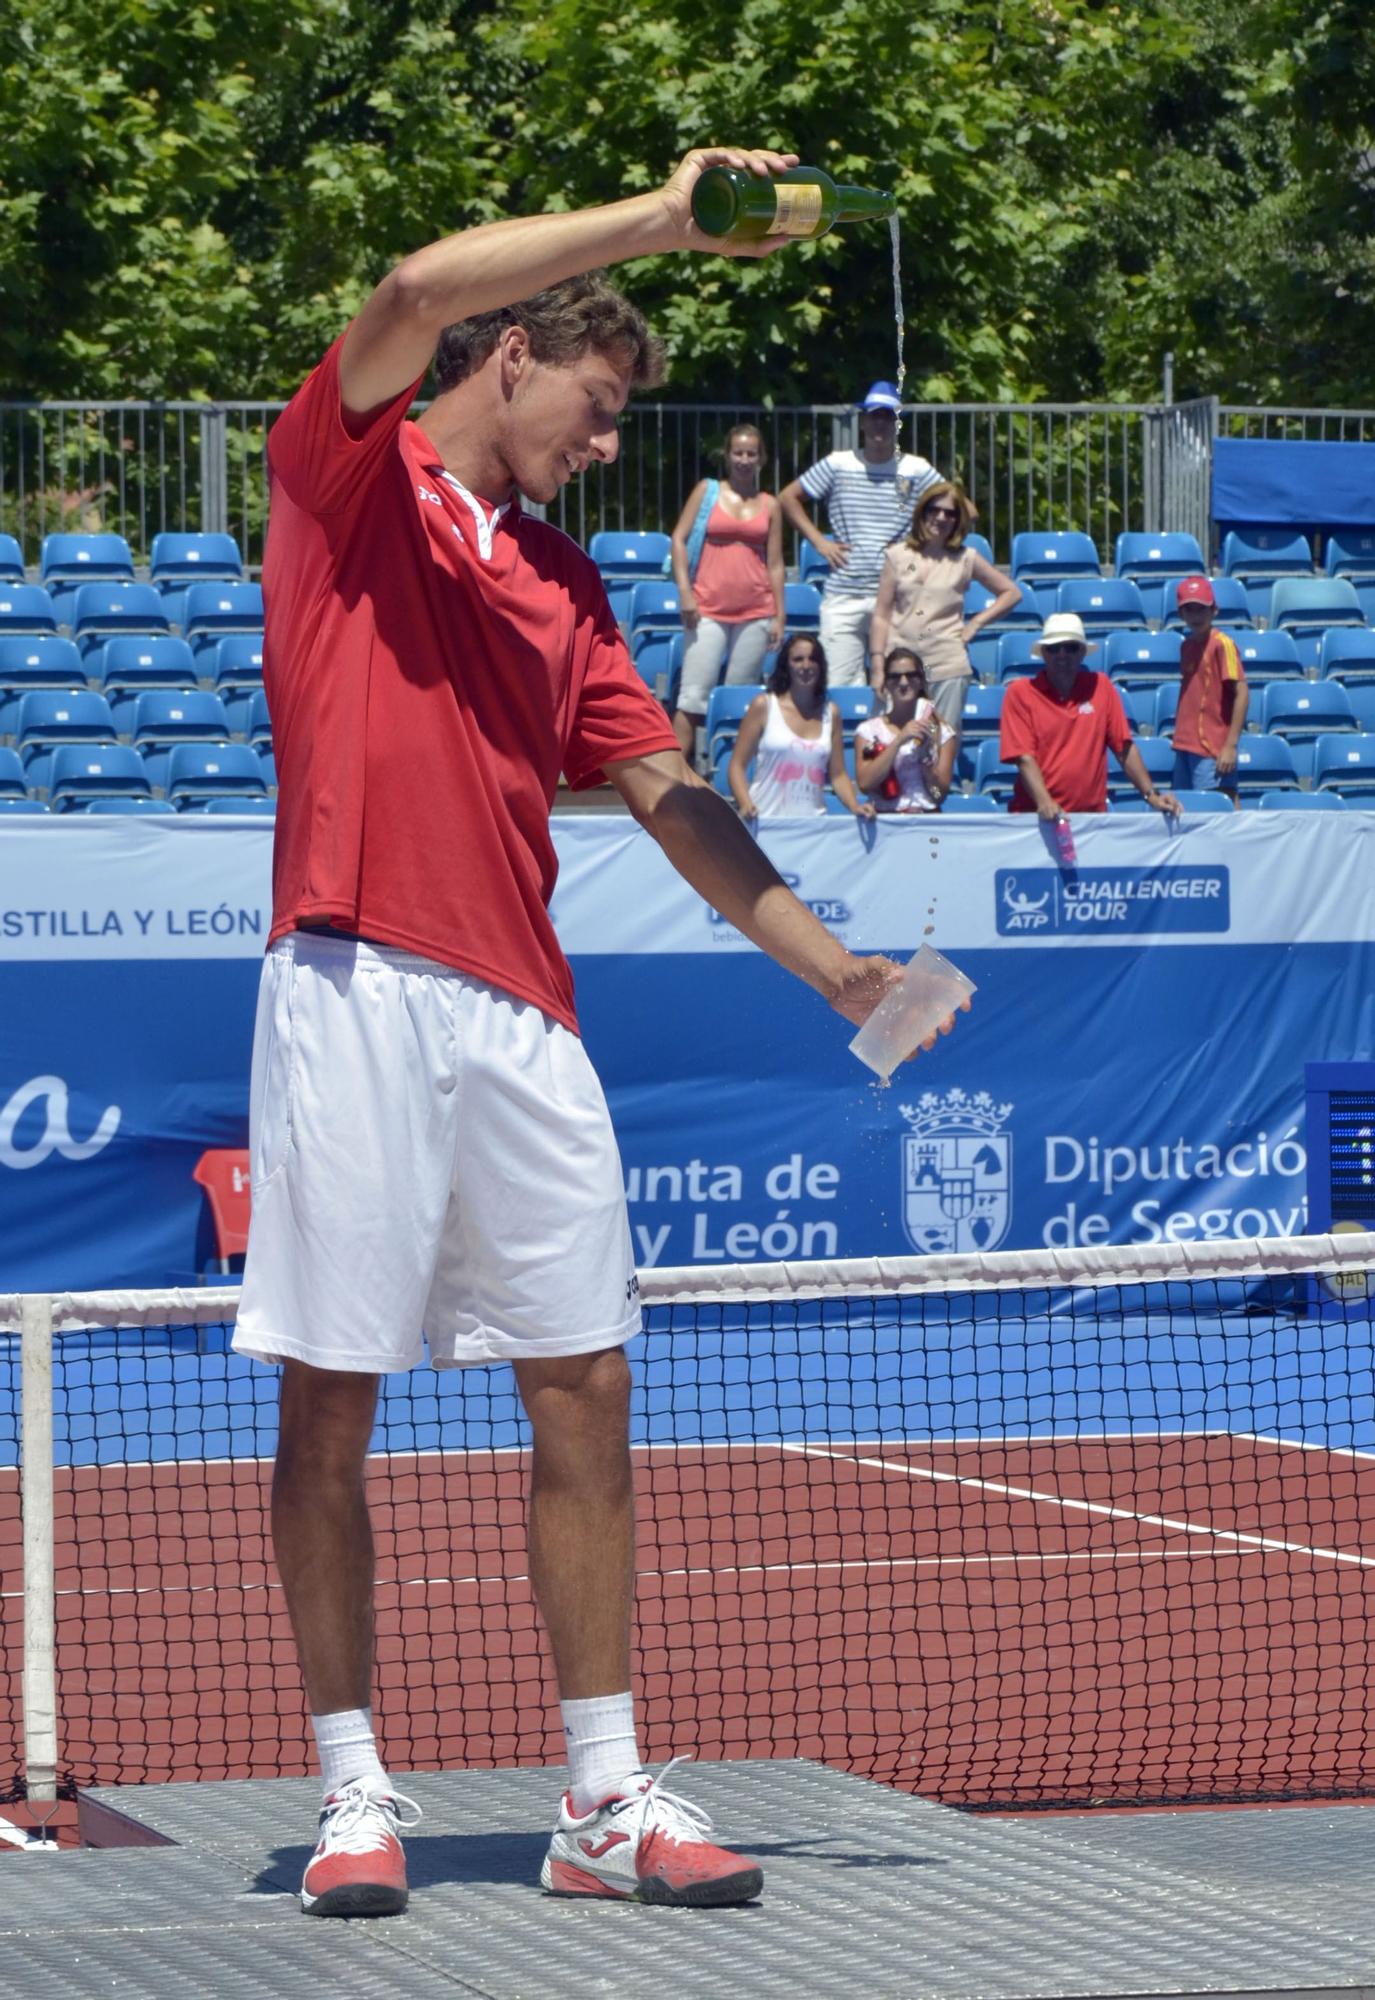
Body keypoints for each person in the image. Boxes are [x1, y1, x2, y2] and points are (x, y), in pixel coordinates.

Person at [230, 145, 963, 1924]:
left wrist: (832, 966)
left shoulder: (568, 584)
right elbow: (407, 289)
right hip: (348, 982)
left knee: (592, 1391)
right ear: (512, 357)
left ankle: (603, 1799)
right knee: (334, 1404)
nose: (611, 437)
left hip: (522, 1014)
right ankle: (350, 1792)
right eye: (598, 396)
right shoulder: (342, 478)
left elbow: (671, 796)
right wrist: (662, 215)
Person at [778, 381, 941, 686]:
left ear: (897, 422)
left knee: (899, 685)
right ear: (864, 420)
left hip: (899, 595)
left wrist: (919, 542)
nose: (880, 422)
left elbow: (963, 510)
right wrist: (819, 542)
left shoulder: (916, 469)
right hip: (845, 593)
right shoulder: (838, 463)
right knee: (839, 687)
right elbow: (787, 498)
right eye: (874, 415)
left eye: (887, 416)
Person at [867, 483, 1021, 742]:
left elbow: (1012, 593)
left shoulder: (966, 558)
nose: (941, 518)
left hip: (947, 665)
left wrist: (976, 624)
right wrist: (877, 666)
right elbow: (881, 615)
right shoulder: (896, 555)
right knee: (888, 742)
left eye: (950, 513)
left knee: (940, 745)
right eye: (934, 510)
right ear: (922, 512)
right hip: (900, 665)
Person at [670, 423, 785, 761]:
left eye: (752, 453)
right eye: (739, 452)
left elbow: (776, 563)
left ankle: (730, 775)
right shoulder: (707, 492)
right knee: (692, 698)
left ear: (761, 458)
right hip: (705, 607)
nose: (744, 459)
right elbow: (678, 538)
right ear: (728, 455)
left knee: (740, 700)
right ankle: (674, 779)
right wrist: (684, 593)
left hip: (756, 612)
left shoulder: (770, 504)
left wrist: (780, 614)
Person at [999, 612, 1181, 816]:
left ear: (1082, 652)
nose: (1062, 654)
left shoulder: (1101, 687)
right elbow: (1023, 757)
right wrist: (1045, 802)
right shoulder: (1020, 693)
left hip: (1090, 819)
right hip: (1035, 817)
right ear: (1043, 653)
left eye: (1070, 647)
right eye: (1053, 648)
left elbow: (1124, 748)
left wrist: (1152, 795)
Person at [727, 634, 875, 820]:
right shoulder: (764, 706)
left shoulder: (831, 713)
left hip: (813, 827)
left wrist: (854, 806)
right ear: (786, 665)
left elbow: (838, 775)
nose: (806, 666)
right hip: (765, 822)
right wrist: (745, 803)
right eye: (798, 659)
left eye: (812, 659)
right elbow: (737, 766)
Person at [1169, 575, 1248, 806]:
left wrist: (1230, 745)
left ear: (1214, 610)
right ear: (1181, 614)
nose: (1195, 616)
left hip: (1211, 747)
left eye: (1201, 609)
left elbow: (1242, 692)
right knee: (1186, 810)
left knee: (1216, 808)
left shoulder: (1222, 644)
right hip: (1184, 744)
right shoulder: (1187, 646)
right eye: (1189, 609)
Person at [855, 647, 958, 813]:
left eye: (910, 675)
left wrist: (926, 762)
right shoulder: (868, 731)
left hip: (925, 820)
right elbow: (865, 784)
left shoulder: (942, 732)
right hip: (886, 820)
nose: (903, 682)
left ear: (920, 681)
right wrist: (898, 742)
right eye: (895, 677)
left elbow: (939, 795)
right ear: (886, 683)